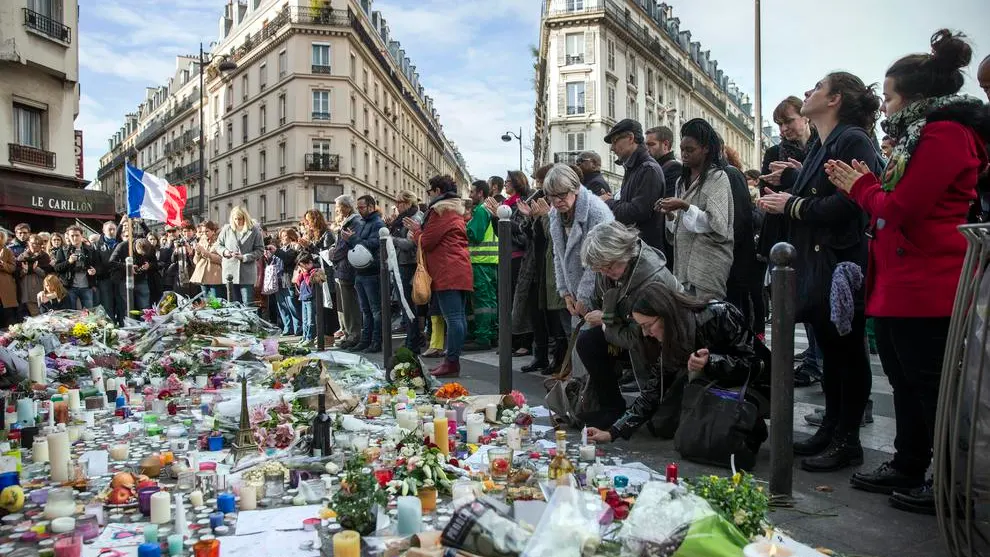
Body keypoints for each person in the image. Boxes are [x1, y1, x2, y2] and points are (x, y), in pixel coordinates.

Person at [826, 29, 988, 513]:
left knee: (930, 386)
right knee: (903, 379)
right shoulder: (917, 134)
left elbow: (902, 208)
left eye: (891, 95)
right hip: (902, 280)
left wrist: (863, 187)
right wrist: (869, 187)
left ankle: (951, 483)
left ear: (917, 97)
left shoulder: (944, 134)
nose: (886, 106)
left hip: (928, 282)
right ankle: (908, 462)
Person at [758, 71, 883, 472]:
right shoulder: (823, 142)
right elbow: (821, 188)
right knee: (831, 351)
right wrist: (794, 180)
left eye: (819, 87)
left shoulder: (852, 139)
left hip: (840, 263)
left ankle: (847, 438)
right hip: (820, 262)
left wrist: (790, 204)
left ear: (835, 100)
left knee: (847, 353)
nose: (809, 91)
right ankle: (831, 427)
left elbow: (850, 202)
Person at [585, 283, 767, 449]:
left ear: (664, 315)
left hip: (754, 387)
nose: (646, 333)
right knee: (665, 427)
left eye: (647, 325)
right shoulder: (670, 339)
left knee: (696, 439)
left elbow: (756, 364)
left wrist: (711, 361)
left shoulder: (719, 314)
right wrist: (612, 432)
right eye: (641, 327)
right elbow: (651, 394)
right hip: (713, 386)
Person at [576, 221, 683, 428]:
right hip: (629, 331)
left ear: (624, 251)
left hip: (660, 345)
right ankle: (611, 407)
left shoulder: (651, 279)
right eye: (601, 268)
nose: (607, 272)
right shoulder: (610, 270)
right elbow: (601, 302)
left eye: (610, 266)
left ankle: (658, 405)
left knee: (662, 427)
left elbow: (639, 336)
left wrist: (606, 322)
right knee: (588, 341)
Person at [759, 96, 824, 387]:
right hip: (782, 232)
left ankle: (815, 359)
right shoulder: (774, 151)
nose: (785, 129)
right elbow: (766, 191)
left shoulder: (819, 147)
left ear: (805, 118)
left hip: (811, 232)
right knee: (791, 300)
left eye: (788, 121)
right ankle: (807, 358)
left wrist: (796, 175)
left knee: (813, 299)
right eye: (780, 124)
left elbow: (817, 189)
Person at [658, 118, 734, 302]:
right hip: (683, 267)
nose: (684, 154)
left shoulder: (718, 178)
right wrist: (669, 213)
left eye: (690, 150)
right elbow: (678, 226)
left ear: (706, 149)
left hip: (708, 266)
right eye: (682, 150)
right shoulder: (681, 181)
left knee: (708, 320)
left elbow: (717, 225)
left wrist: (683, 205)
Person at [405, 175, 474, 378]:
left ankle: (452, 362)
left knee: (453, 318)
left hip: (447, 270)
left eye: (429, 191)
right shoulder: (455, 211)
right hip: (459, 268)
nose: (428, 195)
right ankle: (452, 361)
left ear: (437, 191)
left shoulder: (440, 211)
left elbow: (427, 242)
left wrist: (417, 232)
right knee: (458, 317)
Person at [546, 163, 614, 333]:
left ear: (575, 189)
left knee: (592, 343)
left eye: (561, 195)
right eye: (551, 196)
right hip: (575, 293)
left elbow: (599, 260)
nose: (556, 201)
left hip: (600, 292)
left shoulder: (597, 212)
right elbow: (558, 254)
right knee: (578, 342)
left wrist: (584, 295)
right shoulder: (555, 213)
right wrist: (565, 293)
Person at [601, 119, 666, 252]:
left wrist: (609, 202)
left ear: (630, 138)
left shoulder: (648, 169)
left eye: (615, 141)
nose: (612, 148)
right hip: (636, 250)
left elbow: (636, 212)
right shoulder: (635, 167)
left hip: (645, 253)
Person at [344, 195, 385, 353]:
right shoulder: (361, 223)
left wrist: (353, 239)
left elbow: (374, 244)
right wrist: (348, 240)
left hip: (372, 271)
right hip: (360, 271)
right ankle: (365, 340)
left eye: (362, 207)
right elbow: (357, 243)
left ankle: (376, 341)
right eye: (358, 207)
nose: (359, 210)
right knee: (365, 310)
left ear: (371, 206)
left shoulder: (378, 223)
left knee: (375, 310)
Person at [462, 181, 499, 351]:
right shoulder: (486, 210)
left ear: (481, 193)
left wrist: (461, 229)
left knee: (482, 301)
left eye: (472, 191)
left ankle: (483, 337)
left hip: (480, 263)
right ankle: (490, 334)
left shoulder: (481, 211)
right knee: (490, 301)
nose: (470, 195)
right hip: (488, 263)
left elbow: (474, 235)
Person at [389, 190, 426, 353]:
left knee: (409, 304)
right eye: (396, 202)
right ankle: (411, 338)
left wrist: (392, 240)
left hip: (409, 264)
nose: (397, 205)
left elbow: (410, 244)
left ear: (409, 203)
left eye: (400, 202)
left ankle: (413, 341)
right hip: (401, 263)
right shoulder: (401, 218)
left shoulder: (414, 217)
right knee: (406, 305)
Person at [331, 195, 364, 350]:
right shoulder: (345, 222)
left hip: (347, 268)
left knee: (349, 304)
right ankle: (346, 332)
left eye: (338, 206)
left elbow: (345, 246)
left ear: (346, 207)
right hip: (340, 268)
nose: (336, 210)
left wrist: (332, 254)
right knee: (342, 305)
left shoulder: (354, 221)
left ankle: (353, 334)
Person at [214, 207, 265, 305]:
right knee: (233, 303)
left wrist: (245, 257)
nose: (237, 221)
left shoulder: (254, 230)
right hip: (230, 272)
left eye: (240, 218)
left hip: (247, 273)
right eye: (235, 219)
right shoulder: (227, 229)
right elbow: (218, 245)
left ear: (245, 218)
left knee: (247, 304)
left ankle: (248, 321)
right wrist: (226, 252)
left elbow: (260, 250)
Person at [53, 226, 98, 309]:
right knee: (72, 314)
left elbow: (98, 265)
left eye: (77, 235)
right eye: (72, 235)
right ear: (68, 237)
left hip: (86, 286)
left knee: (89, 314)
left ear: (82, 235)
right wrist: (69, 262)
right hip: (70, 287)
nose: (74, 238)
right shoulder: (63, 250)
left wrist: (95, 271)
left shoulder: (90, 249)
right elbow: (57, 268)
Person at [270, 228, 302, 336]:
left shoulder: (293, 247)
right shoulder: (280, 248)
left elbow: (288, 258)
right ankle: (288, 327)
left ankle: (298, 328)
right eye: (281, 236)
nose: (283, 238)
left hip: (287, 278)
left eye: (285, 236)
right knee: (282, 305)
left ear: (291, 237)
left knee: (292, 304)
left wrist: (276, 251)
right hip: (278, 279)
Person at [93, 221, 124, 324]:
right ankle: (112, 328)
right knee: (108, 305)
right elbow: (97, 264)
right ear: (103, 231)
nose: (111, 232)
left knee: (121, 304)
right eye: (109, 229)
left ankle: (123, 326)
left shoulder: (121, 243)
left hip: (119, 279)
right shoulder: (97, 246)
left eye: (113, 229)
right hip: (105, 279)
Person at [15, 235, 52, 318]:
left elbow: (47, 274)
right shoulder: (22, 257)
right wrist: (25, 271)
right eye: (33, 243)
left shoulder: (44, 256)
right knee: (35, 314)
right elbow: (17, 274)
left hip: (41, 287)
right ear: (28, 243)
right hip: (27, 288)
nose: (35, 245)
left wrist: (36, 269)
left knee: (45, 313)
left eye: (38, 244)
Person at [645, 126, 682, 199]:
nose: (647, 149)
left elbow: (666, 202)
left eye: (651, 144)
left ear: (665, 144)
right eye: (646, 145)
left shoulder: (674, 168)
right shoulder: (650, 166)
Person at [191, 221, 223, 299]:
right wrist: (198, 253)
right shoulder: (201, 241)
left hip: (215, 276)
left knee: (216, 301)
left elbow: (221, 259)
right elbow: (195, 261)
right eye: (202, 232)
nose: (204, 233)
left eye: (207, 231)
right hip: (202, 276)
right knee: (206, 301)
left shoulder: (219, 241)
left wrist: (206, 253)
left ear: (213, 231)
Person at [294, 253, 319, 343]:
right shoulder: (304, 271)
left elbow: (309, 283)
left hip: (311, 297)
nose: (302, 268)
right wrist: (301, 273)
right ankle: (305, 336)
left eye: (303, 265)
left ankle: (310, 337)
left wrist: (305, 273)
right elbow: (297, 282)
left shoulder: (314, 270)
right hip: (303, 297)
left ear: (309, 263)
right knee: (304, 320)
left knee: (310, 320)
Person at [0, 231, 18, 327]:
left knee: (8, 318)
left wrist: (3, 264)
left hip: (5, 288)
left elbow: (13, 268)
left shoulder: (7, 251)